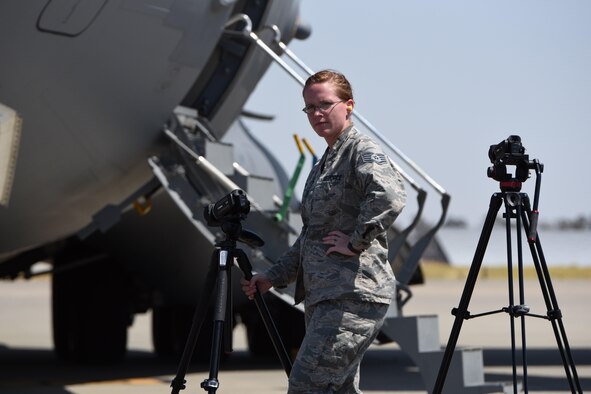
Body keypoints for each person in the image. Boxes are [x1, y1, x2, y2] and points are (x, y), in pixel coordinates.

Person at [241, 69, 406, 393]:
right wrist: (273, 277)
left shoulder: (360, 150)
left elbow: (390, 196)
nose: (317, 114)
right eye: (309, 108)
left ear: (349, 105)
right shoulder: (325, 162)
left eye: (325, 104)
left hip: (351, 295)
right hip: (323, 297)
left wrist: (355, 241)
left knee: (306, 386)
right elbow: (311, 236)